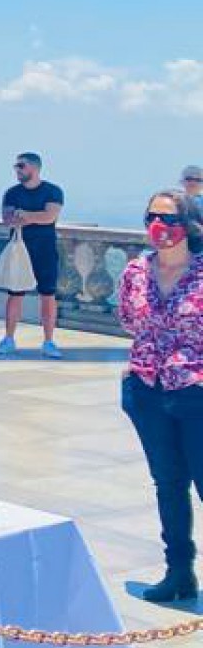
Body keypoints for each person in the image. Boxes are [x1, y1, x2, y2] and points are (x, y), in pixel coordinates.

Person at [118, 191, 203, 603]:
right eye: (152, 216)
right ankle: (179, 572)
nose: (159, 226)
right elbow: (128, 321)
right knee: (168, 484)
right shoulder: (136, 270)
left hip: (195, 393)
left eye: (168, 219)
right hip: (147, 391)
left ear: (187, 225)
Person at [0, 153, 66, 358]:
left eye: (21, 166)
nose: (17, 170)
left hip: (45, 250)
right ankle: (9, 338)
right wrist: (34, 216)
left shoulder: (53, 191)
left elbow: (49, 217)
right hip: (19, 250)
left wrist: (24, 215)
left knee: (48, 295)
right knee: (14, 295)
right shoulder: (11, 193)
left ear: (35, 168)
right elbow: (9, 219)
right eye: (16, 166)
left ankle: (48, 341)